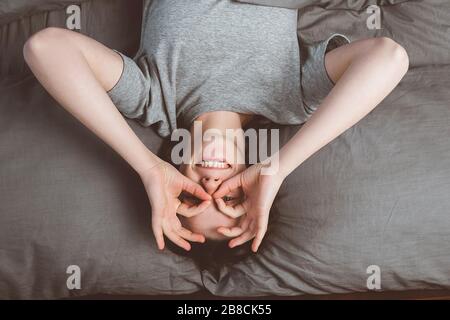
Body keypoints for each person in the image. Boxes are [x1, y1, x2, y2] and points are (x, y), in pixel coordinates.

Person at [23, 0, 409, 254]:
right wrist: (278, 169)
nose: (210, 188)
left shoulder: (153, 100)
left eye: (190, 199)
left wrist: (146, 166)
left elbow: (45, 47)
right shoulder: (292, 99)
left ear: (177, 177)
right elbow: (388, 56)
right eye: (232, 200)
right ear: (250, 183)